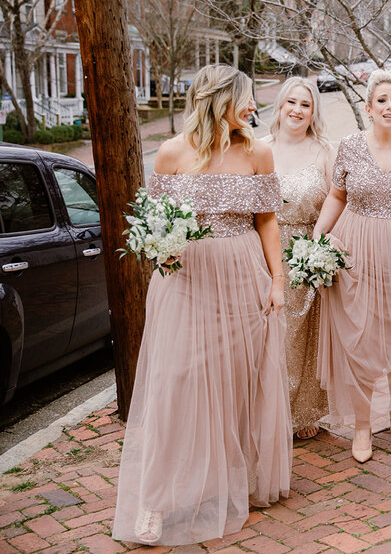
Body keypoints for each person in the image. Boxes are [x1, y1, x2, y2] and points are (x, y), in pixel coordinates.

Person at [113, 64, 291, 545]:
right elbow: (154, 222)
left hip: (241, 277)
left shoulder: (258, 152)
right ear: (217, 99)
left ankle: (232, 480)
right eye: (247, 98)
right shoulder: (171, 153)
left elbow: (267, 222)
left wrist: (277, 281)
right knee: (174, 384)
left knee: (236, 382)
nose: (254, 106)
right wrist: (159, 248)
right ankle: (153, 500)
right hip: (184, 281)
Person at [314, 70, 391, 464]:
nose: (389, 106)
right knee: (360, 336)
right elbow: (337, 195)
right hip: (358, 249)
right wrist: (319, 234)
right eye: (381, 100)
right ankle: (364, 423)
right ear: (368, 108)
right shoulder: (349, 146)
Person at [262, 77, 332, 440]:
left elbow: (340, 203)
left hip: (307, 249)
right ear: (280, 106)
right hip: (263, 250)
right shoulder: (258, 149)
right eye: (291, 102)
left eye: (305, 105)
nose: (297, 110)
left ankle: (302, 408)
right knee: (269, 332)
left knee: (303, 333)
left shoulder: (323, 152)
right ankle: (265, 410)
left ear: (313, 111)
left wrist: (323, 247)